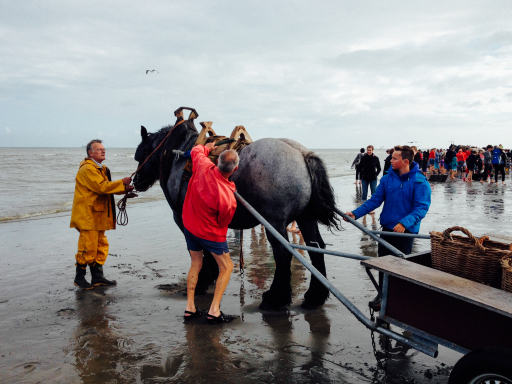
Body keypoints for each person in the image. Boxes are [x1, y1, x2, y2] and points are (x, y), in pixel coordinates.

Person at [345, 145, 431, 309]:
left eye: (394, 158)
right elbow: (375, 200)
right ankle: (382, 294)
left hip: (406, 232)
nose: (390, 160)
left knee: (401, 266)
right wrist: (355, 214)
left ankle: (400, 299)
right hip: (387, 229)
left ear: (405, 161)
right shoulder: (387, 178)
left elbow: (421, 208)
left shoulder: (420, 181)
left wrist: (404, 223)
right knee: (383, 265)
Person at [182, 143, 239, 324]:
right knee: (227, 267)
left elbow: (196, 151)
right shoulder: (228, 198)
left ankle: (190, 308)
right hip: (209, 233)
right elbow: (224, 222)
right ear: (235, 169)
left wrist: (207, 146)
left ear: (217, 161)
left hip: (189, 225)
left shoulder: (203, 165)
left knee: (196, 263)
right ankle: (214, 310)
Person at [70, 139, 134, 290]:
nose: (103, 151)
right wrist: (122, 182)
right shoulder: (87, 169)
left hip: (97, 215)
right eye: (99, 149)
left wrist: (124, 188)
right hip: (88, 216)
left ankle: (97, 278)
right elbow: (101, 187)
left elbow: (106, 189)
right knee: (88, 247)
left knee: (100, 245)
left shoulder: (100, 168)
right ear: (90, 153)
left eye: (103, 149)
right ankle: (79, 278)